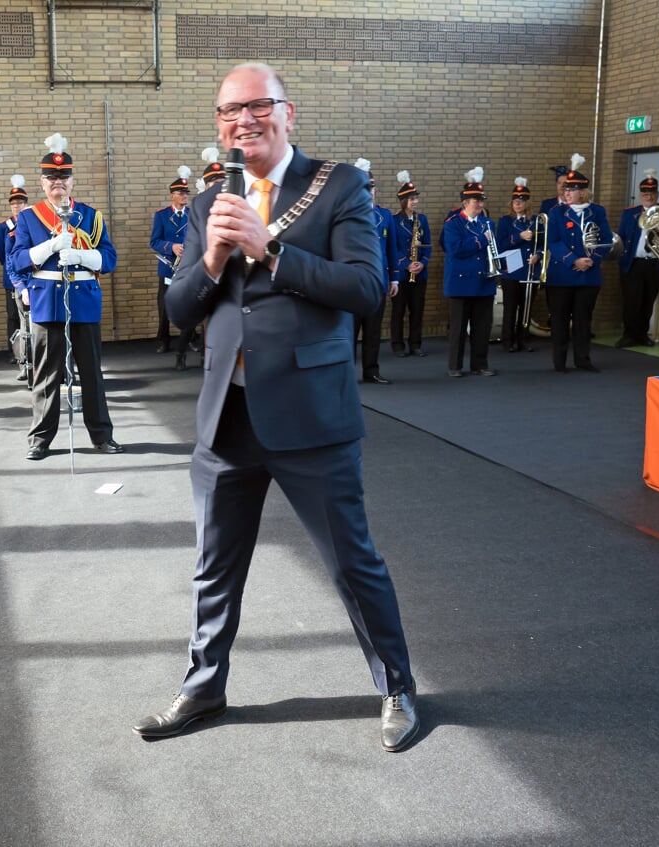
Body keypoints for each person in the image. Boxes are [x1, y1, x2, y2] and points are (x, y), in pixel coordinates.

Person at [140, 62, 419, 753]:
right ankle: (204, 686)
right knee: (213, 565)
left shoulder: (338, 186)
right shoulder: (208, 204)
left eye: (257, 106)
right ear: (218, 125)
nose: (243, 121)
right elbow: (178, 311)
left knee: (351, 562)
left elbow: (363, 288)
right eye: (228, 111)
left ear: (287, 112)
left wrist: (270, 251)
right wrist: (208, 259)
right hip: (224, 418)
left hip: (309, 413)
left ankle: (396, 686)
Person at [8, 133, 122, 460]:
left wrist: (82, 257)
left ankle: (102, 436)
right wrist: (50, 247)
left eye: (64, 177)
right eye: (52, 178)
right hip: (46, 302)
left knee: (92, 375)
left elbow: (109, 259)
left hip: (84, 301)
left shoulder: (92, 216)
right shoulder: (29, 218)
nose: (58, 183)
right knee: (46, 376)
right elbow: (16, 261)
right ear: (42, 183)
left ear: (72, 182)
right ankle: (40, 439)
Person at [546, 154, 615, 372]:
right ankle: (559, 362)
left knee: (583, 320)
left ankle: (583, 359)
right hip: (562, 275)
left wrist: (592, 260)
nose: (566, 193)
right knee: (559, 320)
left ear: (582, 191)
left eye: (571, 190)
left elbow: (605, 240)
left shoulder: (598, 212)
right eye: (565, 190)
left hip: (588, 275)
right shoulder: (556, 212)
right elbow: (553, 241)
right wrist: (573, 260)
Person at [441, 168, 499, 377]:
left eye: (482, 200)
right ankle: (455, 366)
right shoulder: (453, 223)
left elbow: (494, 250)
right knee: (458, 329)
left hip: (484, 281)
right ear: (465, 202)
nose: (480, 204)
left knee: (482, 328)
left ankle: (479, 364)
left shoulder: (488, 223)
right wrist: (480, 240)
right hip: (461, 283)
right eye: (476, 201)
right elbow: (455, 249)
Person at [615, 169, 659, 348]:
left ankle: (642, 335)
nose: (648, 196)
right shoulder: (630, 213)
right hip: (633, 263)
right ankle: (628, 335)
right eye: (645, 193)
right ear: (640, 195)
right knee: (631, 301)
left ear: (657, 194)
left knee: (647, 301)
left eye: (652, 193)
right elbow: (621, 236)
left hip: (655, 262)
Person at [354, 159, 396, 384]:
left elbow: (392, 249)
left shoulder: (385, 216)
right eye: (364, 187)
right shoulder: (345, 213)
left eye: (371, 186)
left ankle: (371, 370)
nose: (369, 191)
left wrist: (395, 279)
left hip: (377, 282)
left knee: (373, 332)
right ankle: (346, 373)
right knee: (349, 333)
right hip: (352, 283)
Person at [150, 166, 194, 369]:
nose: (184, 196)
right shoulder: (161, 216)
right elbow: (154, 242)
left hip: (188, 267)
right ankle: (163, 339)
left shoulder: (193, 214)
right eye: (181, 193)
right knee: (164, 306)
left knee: (190, 304)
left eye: (186, 193)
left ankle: (192, 337)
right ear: (172, 196)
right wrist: (171, 246)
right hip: (168, 268)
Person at [495, 177, 540, 353]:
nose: (517, 204)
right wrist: (519, 237)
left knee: (526, 307)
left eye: (521, 201)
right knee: (510, 307)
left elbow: (543, 244)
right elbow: (501, 244)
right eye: (515, 201)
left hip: (530, 268)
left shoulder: (535, 221)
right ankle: (508, 340)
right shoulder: (506, 221)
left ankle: (523, 339)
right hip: (512, 268)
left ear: (527, 203)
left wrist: (538, 255)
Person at [389, 172, 430, 357]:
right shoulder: (394, 220)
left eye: (416, 199)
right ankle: (397, 344)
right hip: (402, 273)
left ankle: (415, 344)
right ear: (403, 200)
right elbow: (393, 247)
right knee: (398, 311)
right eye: (411, 199)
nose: (415, 202)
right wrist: (406, 264)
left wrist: (422, 263)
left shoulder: (423, 220)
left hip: (420, 273)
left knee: (417, 310)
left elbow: (428, 245)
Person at [0, 175, 31, 379]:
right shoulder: (5, 226)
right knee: (13, 317)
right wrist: (13, 270)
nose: (17, 206)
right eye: (14, 203)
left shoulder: (32, 222)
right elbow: (1, 252)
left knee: (29, 320)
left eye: (20, 202)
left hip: (29, 279)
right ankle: (15, 352)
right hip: (13, 279)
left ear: (25, 203)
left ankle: (28, 357)